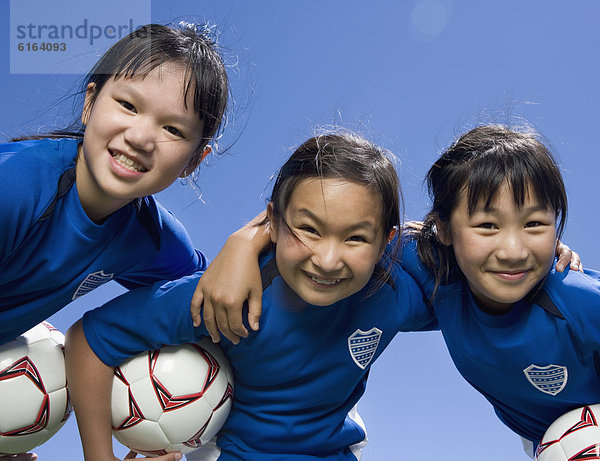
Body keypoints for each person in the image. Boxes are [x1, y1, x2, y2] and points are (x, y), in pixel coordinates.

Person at [65, 130, 440, 461]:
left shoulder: (394, 293)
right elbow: (89, 341)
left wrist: (247, 239)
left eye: (355, 237)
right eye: (309, 229)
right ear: (274, 222)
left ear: (385, 243)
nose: (327, 260)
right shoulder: (227, 297)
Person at [0, 22, 264, 461]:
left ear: (194, 161)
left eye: (174, 130)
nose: (140, 137)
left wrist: (246, 243)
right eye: (127, 105)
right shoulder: (15, 189)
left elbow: (208, 299)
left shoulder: (150, 238)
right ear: (89, 103)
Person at [400, 124, 598, 457]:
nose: (513, 251)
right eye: (487, 226)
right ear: (444, 229)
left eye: (533, 224)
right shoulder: (438, 271)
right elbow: (352, 233)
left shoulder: (579, 301)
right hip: (546, 441)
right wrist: (281, 227)